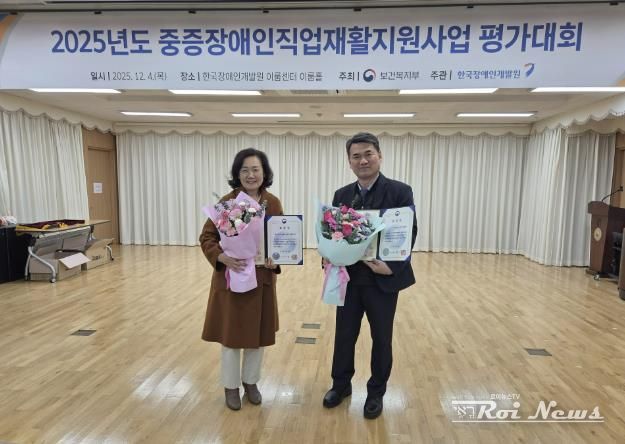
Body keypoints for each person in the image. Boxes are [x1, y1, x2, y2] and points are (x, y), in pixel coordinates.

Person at [322, 132, 418, 419]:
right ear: (349, 161)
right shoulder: (342, 195)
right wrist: (328, 253)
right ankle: (341, 385)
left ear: (379, 156)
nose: (362, 160)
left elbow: (408, 232)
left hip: (382, 279)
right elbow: (333, 232)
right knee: (344, 335)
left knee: (381, 338)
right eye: (356, 156)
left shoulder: (400, 191)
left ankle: (376, 392)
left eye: (368, 154)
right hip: (349, 278)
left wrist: (392, 267)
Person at [200, 148, 283, 411]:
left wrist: (276, 258)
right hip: (232, 278)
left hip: (261, 280)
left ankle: (251, 382)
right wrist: (221, 257)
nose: (250, 175)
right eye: (245, 170)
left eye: (255, 169)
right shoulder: (228, 202)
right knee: (231, 337)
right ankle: (231, 386)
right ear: (237, 174)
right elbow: (207, 237)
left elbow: (280, 238)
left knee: (257, 338)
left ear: (264, 173)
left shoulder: (273, 203)